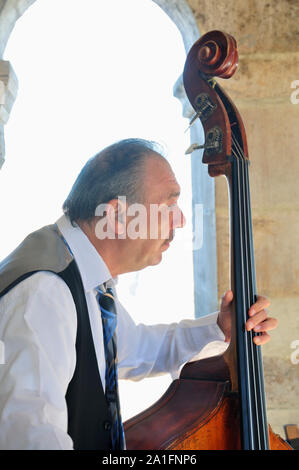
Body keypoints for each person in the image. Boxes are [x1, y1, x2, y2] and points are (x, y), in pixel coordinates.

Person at [0, 138, 277, 450]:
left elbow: (137, 349)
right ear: (118, 216)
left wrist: (220, 327)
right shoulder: (44, 293)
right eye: (169, 206)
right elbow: (29, 438)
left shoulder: (83, 274)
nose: (181, 221)